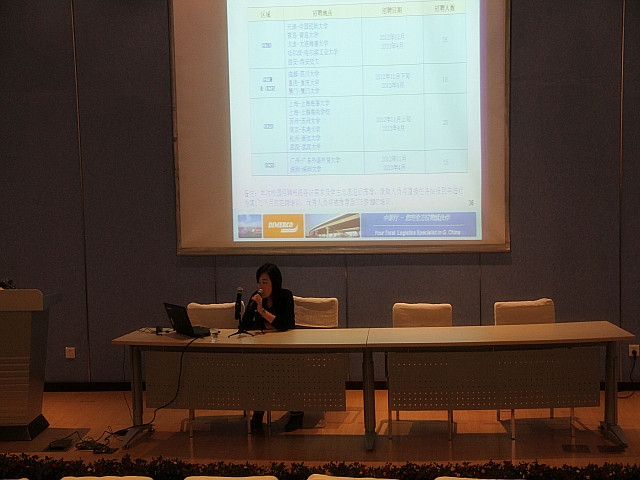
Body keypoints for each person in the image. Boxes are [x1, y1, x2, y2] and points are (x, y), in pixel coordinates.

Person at [241, 262, 303, 433]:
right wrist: (268, 322)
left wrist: (262, 312)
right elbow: (245, 325)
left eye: (265, 282)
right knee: (258, 371)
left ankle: (296, 413)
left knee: (288, 372)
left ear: (274, 282)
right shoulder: (255, 297)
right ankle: (258, 412)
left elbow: (287, 325)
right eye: (259, 282)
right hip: (263, 347)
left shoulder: (285, 296)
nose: (260, 287)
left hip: (285, 347)